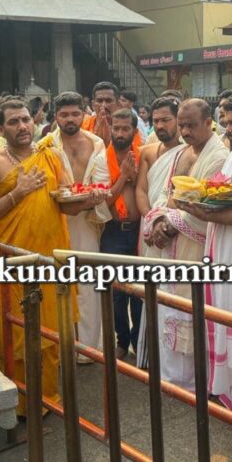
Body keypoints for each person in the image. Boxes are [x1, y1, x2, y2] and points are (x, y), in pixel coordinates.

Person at [0, 98, 106, 415]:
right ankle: (14, 405)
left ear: (34, 122)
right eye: (13, 122)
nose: (22, 126)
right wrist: (18, 192)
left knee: (50, 333)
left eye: (25, 119)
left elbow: (64, 204)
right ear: (1, 128)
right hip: (12, 263)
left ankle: (46, 399)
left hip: (47, 261)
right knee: (13, 332)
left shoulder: (51, 155)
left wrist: (89, 200)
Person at [175, 94, 232, 413]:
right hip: (223, 245)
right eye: (225, 122)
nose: (227, 129)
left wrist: (206, 213)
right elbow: (221, 191)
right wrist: (201, 204)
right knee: (225, 314)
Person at [142, 99, 228, 390]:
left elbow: (208, 208)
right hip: (170, 249)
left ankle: (193, 384)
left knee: (191, 312)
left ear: (209, 123)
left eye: (192, 125)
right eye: (182, 125)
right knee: (168, 309)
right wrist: (157, 220)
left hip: (195, 249)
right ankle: (171, 379)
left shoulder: (219, 156)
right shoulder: (180, 152)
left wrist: (168, 225)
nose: (186, 131)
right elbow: (165, 194)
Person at [50, 92, 111, 358]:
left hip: (87, 222)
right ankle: (61, 346)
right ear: (56, 117)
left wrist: (94, 196)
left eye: (75, 114)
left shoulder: (96, 143)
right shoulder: (46, 145)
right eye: (64, 114)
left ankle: (87, 348)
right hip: (57, 220)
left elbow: (103, 182)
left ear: (84, 114)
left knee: (87, 283)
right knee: (59, 282)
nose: (70, 119)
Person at [134, 96, 184, 368]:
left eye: (166, 119)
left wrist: (164, 224)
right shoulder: (148, 151)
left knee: (172, 292)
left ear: (178, 120)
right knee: (151, 291)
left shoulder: (190, 152)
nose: (161, 125)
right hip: (150, 230)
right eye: (156, 121)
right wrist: (151, 220)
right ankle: (151, 357)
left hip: (174, 230)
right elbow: (141, 190)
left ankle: (173, 361)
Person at [100, 109, 143, 359]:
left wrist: (134, 178)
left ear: (134, 131)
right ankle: (122, 341)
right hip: (113, 232)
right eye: (115, 128)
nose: (119, 133)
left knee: (138, 291)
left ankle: (139, 341)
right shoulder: (101, 159)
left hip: (138, 231)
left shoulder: (143, 155)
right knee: (116, 291)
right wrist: (124, 177)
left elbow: (146, 190)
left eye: (125, 129)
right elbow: (104, 202)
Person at [82, 82, 121, 148]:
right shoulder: (82, 125)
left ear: (118, 104)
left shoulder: (127, 126)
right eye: (99, 101)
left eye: (108, 101)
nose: (104, 105)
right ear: (93, 105)